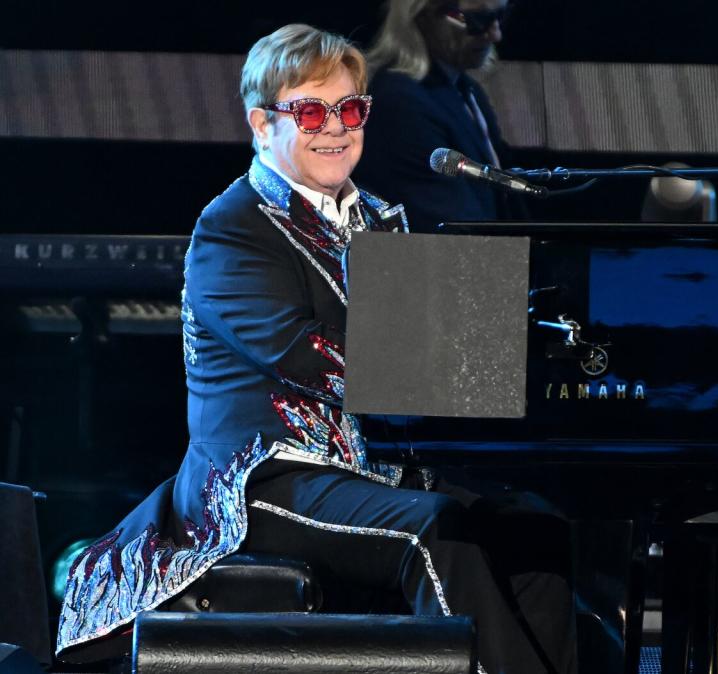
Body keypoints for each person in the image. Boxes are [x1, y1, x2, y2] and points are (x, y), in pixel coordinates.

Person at [56, 24, 575, 674]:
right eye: (310, 111)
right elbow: (306, 354)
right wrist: (467, 355)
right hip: (262, 479)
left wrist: (529, 356)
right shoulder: (232, 228)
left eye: (351, 109)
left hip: (371, 469)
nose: (336, 128)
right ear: (261, 122)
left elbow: (443, 350)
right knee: (434, 532)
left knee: (537, 529)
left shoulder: (385, 218)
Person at [354, 0, 525, 232]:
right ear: (422, 16)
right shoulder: (401, 104)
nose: (495, 34)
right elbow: (452, 225)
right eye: (476, 20)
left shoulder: (464, 89)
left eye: (500, 16)